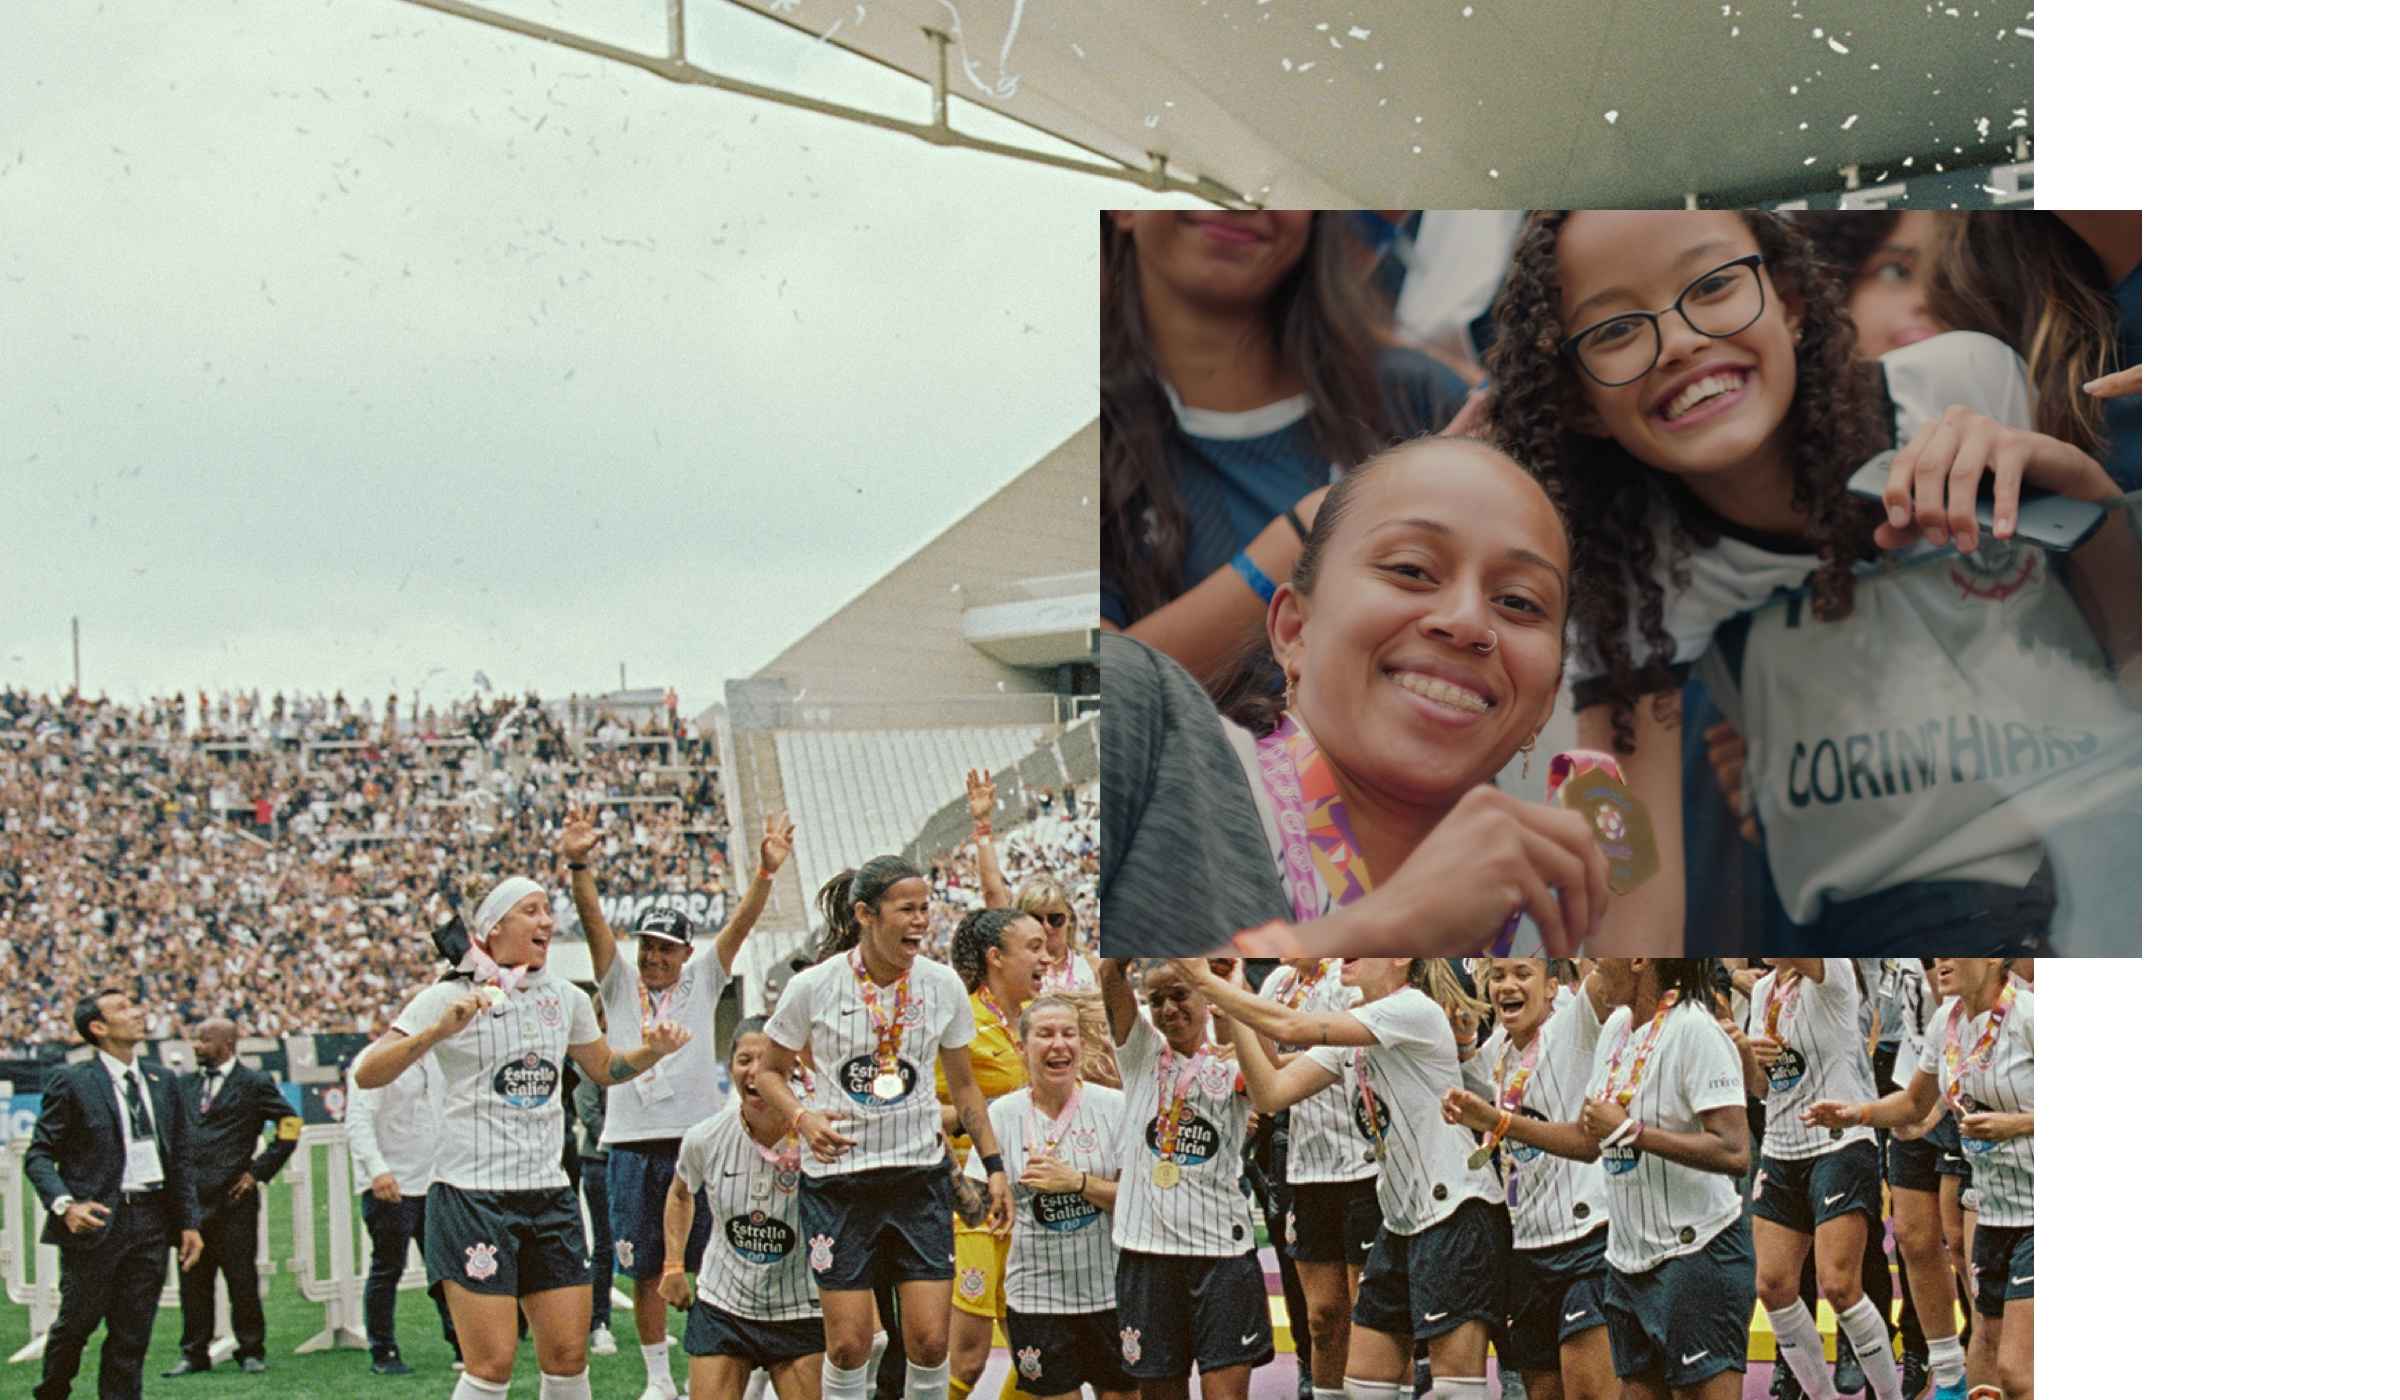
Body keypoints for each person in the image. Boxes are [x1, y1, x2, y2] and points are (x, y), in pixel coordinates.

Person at [1484, 210, 2139, 956]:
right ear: (1577, 400)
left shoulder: (1961, 388)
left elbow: (2134, 648)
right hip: (1910, 924)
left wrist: (2085, 496)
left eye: (1716, 285)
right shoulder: (1629, 583)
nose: (1682, 342)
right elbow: (1627, 869)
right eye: (1614, 331)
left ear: (1790, 300)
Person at [1099, 434, 1613, 959]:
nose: (1466, 622)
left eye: (1519, 602)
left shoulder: (1547, 936)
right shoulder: (1140, 722)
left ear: (1547, 699)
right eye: (1411, 570)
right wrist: (1381, 930)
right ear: (1295, 629)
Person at [354, 875, 692, 1400]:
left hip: (549, 1196)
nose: (546, 922)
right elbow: (368, 1073)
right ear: (493, 928)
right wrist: (438, 1033)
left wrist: (653, 1053)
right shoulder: (448, 996)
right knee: (491, 1364)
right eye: (531, 911)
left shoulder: (566, 998)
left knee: (567, 1358)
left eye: (548, 911)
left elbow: (604, 1068)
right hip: (472, 1195)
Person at [1100, 210, 1470, 685]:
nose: (1240, 201)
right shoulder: (1066, 435)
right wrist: (1308, 532)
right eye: (1207, 159)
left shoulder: (1418, 399)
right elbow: (1104, 692)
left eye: (1271, 177)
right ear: (1123, 205)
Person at [746, 857, 1016, 1400]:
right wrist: (803, 1117)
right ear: (867, 914)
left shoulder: (940, 986)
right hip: (839, 1186)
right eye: (907, 909)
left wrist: (994, 1167)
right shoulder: (814, 987)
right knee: (848, 1346)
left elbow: (965, 1090)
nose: (922, 921)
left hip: (918, 1181)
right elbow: (769, 1071)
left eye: (926, 909)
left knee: (930, 1342)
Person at [1181, 957, 1503, 1400]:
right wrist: (1233, 1002)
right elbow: (1271, 1093)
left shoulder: (1412, 1008)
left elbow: (1291, 1027)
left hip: (1456, 1213)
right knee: (1363, 1388)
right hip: (1401, 1220)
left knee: (1454, 1390)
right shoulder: (1356, 1033)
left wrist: (1206, 982)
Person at [565, 806, 793, 1400]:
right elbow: (592, 921)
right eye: (648, 946)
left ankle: (735, 1366)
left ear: (686, 952)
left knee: (719, 1260)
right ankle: (660, 1380)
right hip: (631, 1145)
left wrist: (765, 875)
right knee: (643, 1268)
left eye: (667, 948)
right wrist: (580, 864)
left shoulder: (703, 980)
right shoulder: (617, 984)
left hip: (700, 1141)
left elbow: (740, 926)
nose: (655, 958)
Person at [1805, 958, 2032, 1400]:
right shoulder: (1947, 1023)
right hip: (1992, 1210)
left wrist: (2016, 1125)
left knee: (2018, 1370)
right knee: (1987, 1355)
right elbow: (1912, 1103)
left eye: (1954, 951)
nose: (1940, 960)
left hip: (2037, 1212)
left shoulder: (2029, 1017)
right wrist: (1857, 1112)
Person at [1437, 959, 1619, 1400]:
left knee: (1591, 1392)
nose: (1507, 985)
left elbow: (1606, 973)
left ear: (1554, 986)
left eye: (1522, 974)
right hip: (1526, 1249)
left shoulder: (1575, 1024)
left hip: (1586, 1242)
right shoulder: (1498, 1048)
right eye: (1497, 976)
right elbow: (1464, 1075)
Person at [1092, 958, 1270, 1400]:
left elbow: (1271, 1081)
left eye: (1179, 994)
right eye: (1156, 1000)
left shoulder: (1232, 1059)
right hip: (1147, 1252)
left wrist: (1231, 985)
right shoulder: (1139, 1053)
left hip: (1221, 1254)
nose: (1169, 1009)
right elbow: (1110, 973)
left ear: (1205, 996)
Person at [1729, 961, 1906, 1400]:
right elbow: (1764, 1089)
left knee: (1840, 1284)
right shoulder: (1764, 989)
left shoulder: (1834, 970)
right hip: (1781, 1146)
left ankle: (1888, 1395)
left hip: (1840, 1142)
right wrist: (1749, 1058)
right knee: (1772, 1285)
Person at [24, 987, 207, 1400]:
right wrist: (65, 1205)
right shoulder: (73, 1081)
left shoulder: (162, 1080)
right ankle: (53, 1390)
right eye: (123, 1008)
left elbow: (179, 1158)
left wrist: (189, 1222)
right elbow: (38, 1155)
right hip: (98, 1221)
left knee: (132, 1332)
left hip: (151, 1220)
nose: (137, 1011)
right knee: (76, 1325)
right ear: (98, 1027)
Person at [661, 1020, 826, 1400]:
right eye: (743, 1059)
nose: (753, 1071)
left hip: (800, 1307)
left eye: (765, 1060)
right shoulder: (705, 1137)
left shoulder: (820, 1136)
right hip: (725, 1306)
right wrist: (673, 1265)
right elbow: (680, 1194)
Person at [986, 995, 1134, 1400]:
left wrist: (1077, 1182)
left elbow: (1139, 1204)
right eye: (1045, 1034)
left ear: (1080, 1046)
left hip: (1111, 1293)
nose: (1059, 1044)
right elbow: (979, 1201)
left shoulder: (1115, 1108)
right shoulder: (1001, 1115)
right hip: (1036, 1297)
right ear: (1022, 1047)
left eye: (1069, 1033)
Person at [934, 906, 1052, 1400]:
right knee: (967, 1357)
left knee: (1040, 1355)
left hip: (1033, 1202)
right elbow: (924, 1112)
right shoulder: (959, 1020)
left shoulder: (1033, 1024)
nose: (1047, 957)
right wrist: (975, 1119)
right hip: (977, 1207)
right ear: (995, 958)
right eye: (1034, 948)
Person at [1256, 957, 1378, 1398]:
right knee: (1322, 1317)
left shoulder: (1349, 975)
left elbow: (1341, 1052)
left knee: (1371, 1314)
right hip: (1307, 1169)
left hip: (1366, 1165)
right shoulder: (1277, 983)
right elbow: (1265, 1067)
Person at [165, 1016, 303, 1376]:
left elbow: (291, 1124)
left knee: (241, 1278)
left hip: (233, 1199)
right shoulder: (185, 1085)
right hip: (191, 1200)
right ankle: (194, 1352)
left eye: (203, 1039)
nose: (196, 1046)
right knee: (192, 1280)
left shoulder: (254, 1083)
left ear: (226, 1044)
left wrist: (258, 1171)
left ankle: (251, 1349)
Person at [348, 1021, 462, 1375]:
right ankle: (383, 1351)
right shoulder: (375, 1059)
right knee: (387, 1268)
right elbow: (359, 1120)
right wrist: (377, 1170)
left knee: (447, 1270)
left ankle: (463, 1343)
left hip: (433, 1180)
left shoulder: (436, 1058)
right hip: (391, 1183)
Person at [966, 770, 1095, 994]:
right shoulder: (1017, 968)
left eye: (1055, 919)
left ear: (1070, 921)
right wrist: (983, 826)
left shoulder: (1093, 967)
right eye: (1035, 918)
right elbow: (993, 893)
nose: (1046, 927)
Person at [568, 999, 619, 1358]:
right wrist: (622, 1140)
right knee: (603, 1244)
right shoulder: (590, 1059)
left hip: (629, 1159)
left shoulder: (633, 1053)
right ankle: (599, 1322)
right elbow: (587, 1109)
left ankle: (655, 1327)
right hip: (601, 1161)